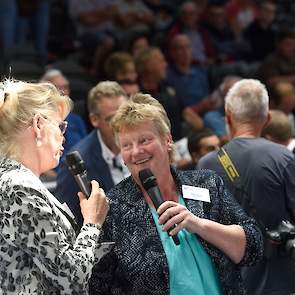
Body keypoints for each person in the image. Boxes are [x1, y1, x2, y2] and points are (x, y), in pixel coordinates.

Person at [89, 93, 263, 295]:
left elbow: (253, 248)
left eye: (144, 140)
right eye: (126, 145)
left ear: (168, 140)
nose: (136, 152)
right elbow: (98, 286)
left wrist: (198, 224)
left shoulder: (206, 184)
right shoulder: (113, 208)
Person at [0, 79, 109, 293]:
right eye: (60, 126)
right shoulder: (19, 187)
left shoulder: (15, 181)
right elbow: (71, 280)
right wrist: (93, 223)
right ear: (38, 124)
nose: (63, 136)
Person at [198, 79, 295, 294]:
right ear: (268, 117)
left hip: (227, 284)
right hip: (280, 284)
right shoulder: (284, 159)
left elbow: (201, 232)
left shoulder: (205, 165)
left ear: (228, 115)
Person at [56, 81, 129, 227]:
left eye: (124, 116)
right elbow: (66, 224)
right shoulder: (76, 164)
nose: (119, 125)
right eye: (111, 119)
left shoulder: (138, 149)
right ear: (94, 119)